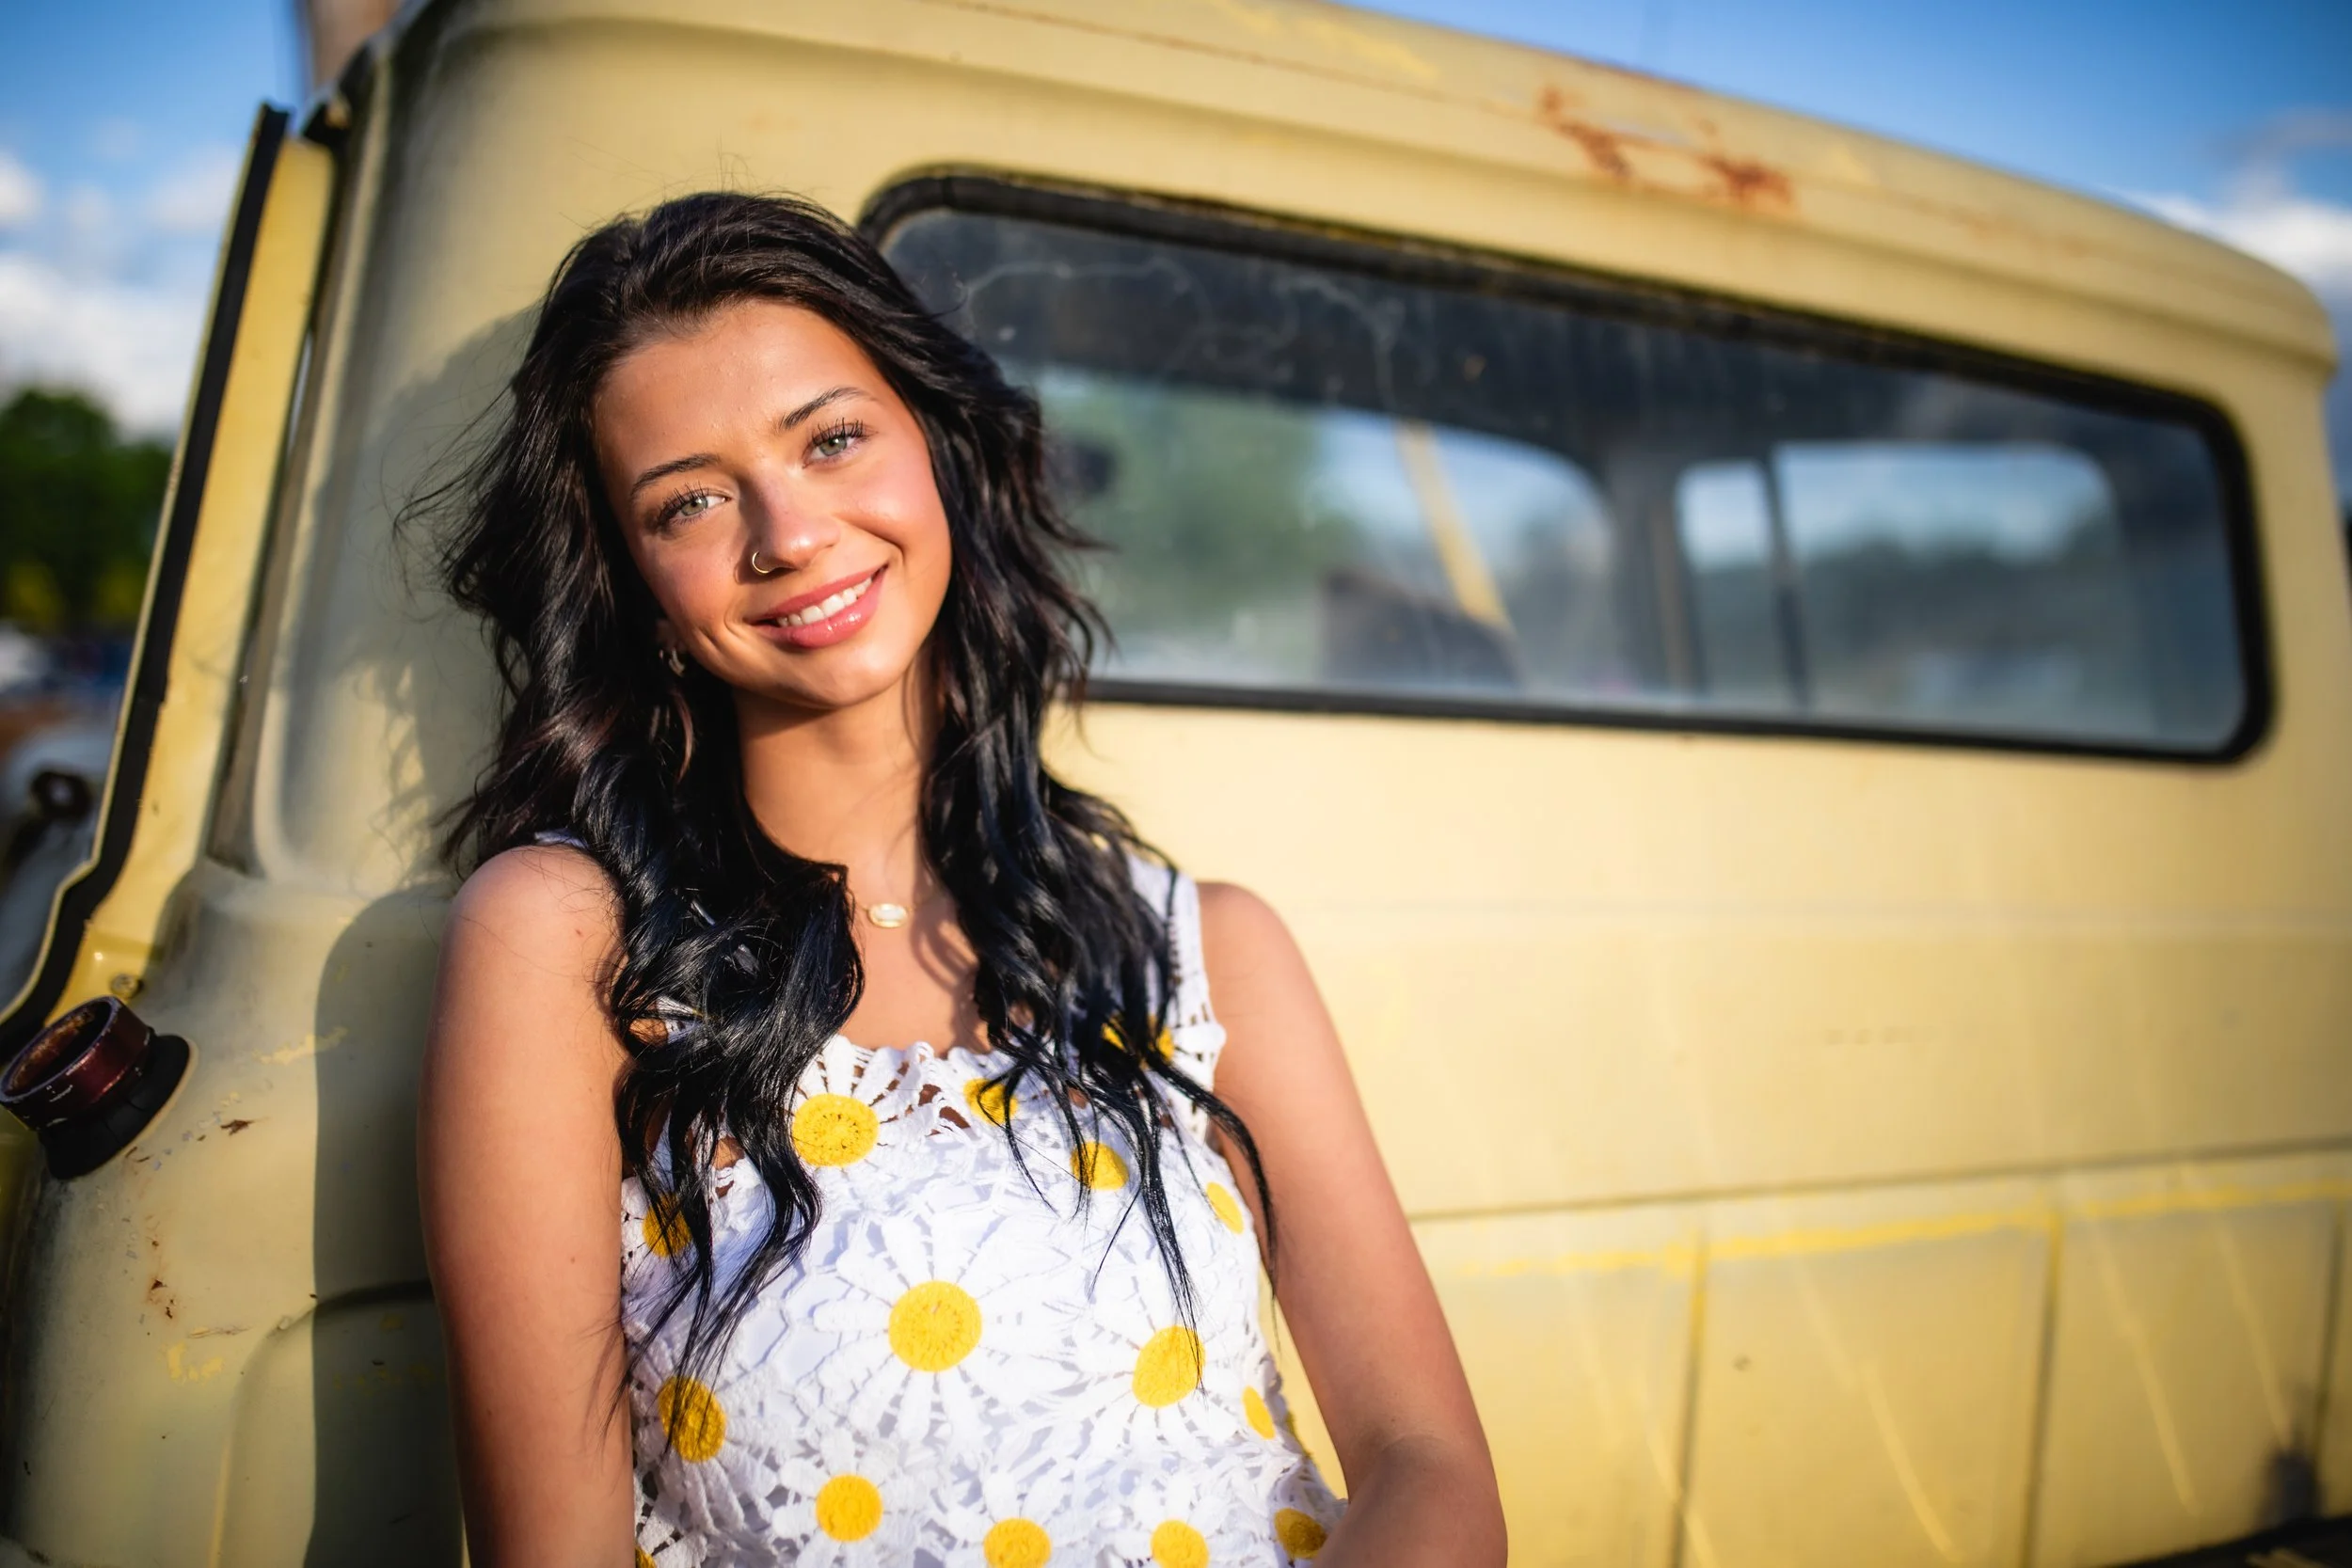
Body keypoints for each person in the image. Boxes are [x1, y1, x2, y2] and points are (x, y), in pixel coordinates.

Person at [416, 191, 1502, 1568]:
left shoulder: (1203, 948)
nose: (788, 530)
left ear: (935, 447)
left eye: (833, 439)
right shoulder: (567, 941)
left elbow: (1429, 1465)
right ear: (633, 581)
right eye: (690, 498)